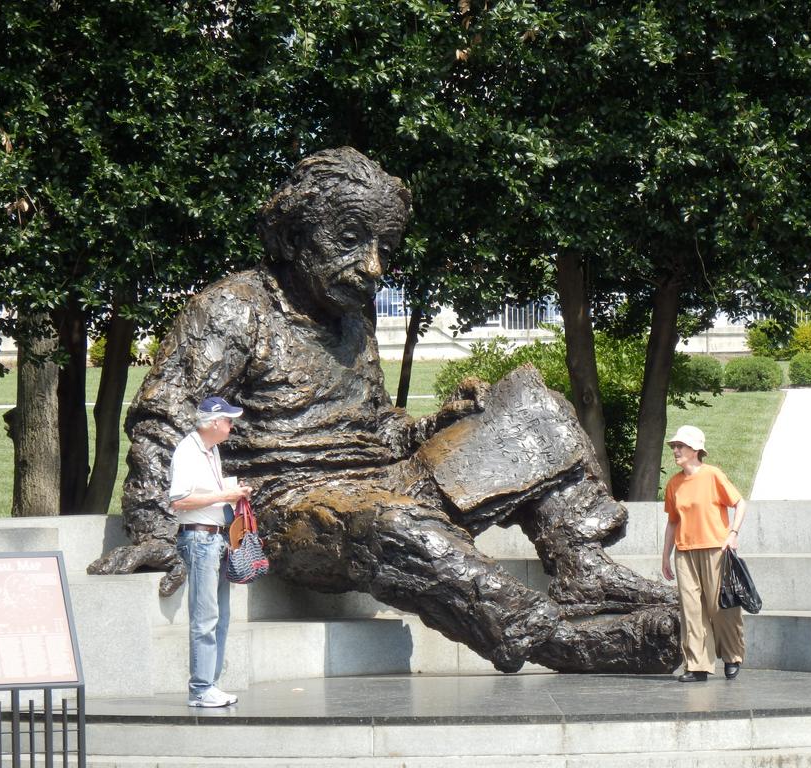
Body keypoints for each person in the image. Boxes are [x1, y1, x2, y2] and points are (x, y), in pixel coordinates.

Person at [90, 147, 680, 675]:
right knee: (392, 525)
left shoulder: (353, 318)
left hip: (383, 483)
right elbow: (165, 418)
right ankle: (557, 641)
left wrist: (436, 424)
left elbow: (375, 427)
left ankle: (582, 567)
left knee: (535, 409)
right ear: (295, 237)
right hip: (287, 506)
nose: (373, 266)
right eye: (350, 238)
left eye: (384, 249)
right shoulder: (232, 309)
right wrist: (159, 528)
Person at [169, 396, 252, 707]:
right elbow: (179, 500)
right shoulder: (188, 451)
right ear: (214, 423)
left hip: (215, 539)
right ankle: (201, 688)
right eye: (229, 420)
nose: (232, 426)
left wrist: (232, 494)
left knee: (221, 616)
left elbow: (207, 495)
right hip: (200, 540)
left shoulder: (210, 450)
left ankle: (210, 684)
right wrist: (225, 494)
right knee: (206, 617)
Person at [660, 425, 747, 682]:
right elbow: (673, 521)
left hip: (715, 549)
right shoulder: (674, 483)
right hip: (685, 553)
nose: (675, 450)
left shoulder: (712, 475)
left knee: (720, 607)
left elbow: (740, 503)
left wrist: (733, 533)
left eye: (681, 446)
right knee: (691, 610)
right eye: (674, 446)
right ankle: (697, 666)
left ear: (695, 449)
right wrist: (665, 555)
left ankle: (732, 656)